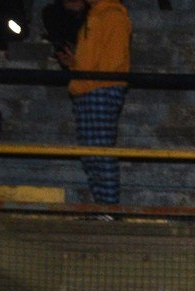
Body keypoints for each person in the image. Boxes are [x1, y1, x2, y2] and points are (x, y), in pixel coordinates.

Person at [64, 0, 131, 205]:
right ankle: (103, 206)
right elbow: (94, 59)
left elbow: (113, 62)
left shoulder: (112, 16)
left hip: (100, 89)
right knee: (91, 155)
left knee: (101, 153)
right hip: (89, 88)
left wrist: (87, 80)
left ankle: (109, 209)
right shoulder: (95, 15)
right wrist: (75, 64)